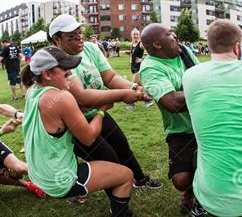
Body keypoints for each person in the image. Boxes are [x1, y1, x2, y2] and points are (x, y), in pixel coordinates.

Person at [22, 47, 140, 217]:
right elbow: (89, 137)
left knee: (109, 160)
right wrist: (102, 109)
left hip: (38, 174)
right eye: (66, 73)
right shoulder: (61, 98)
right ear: (47, 74)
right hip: (59, 180)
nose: (71, 79)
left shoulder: (31, 91)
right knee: (126, 175)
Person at [47, 14, 162, 189]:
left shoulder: (90, 49)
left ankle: (139, 180)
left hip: (95, 111)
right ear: (56, 40)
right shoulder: (55, 63)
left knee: (121, 145)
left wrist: (134, 88)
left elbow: (110, 77)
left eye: (79, 32)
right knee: (107, 160)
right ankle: (120, 209)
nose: (79, 37)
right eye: (72, 36)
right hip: (75, 121)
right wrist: (122, 95)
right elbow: (82, 98)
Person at [183, 20, 242, 217]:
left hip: (211, 194)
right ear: (237, 46)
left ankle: (199, 205)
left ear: (210, 46)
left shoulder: (190, 77)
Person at [139, 23, 200, 214]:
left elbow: (201, 76)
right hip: (180, 129)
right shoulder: (149, 68)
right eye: (169, 34)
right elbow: (172, 103)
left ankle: (201, 196)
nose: (175, 36)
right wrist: (204, 90)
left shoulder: (185, 52)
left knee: (208, 165)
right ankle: (189, 190)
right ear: (157, 44)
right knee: (181, 181)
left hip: (205, 123)